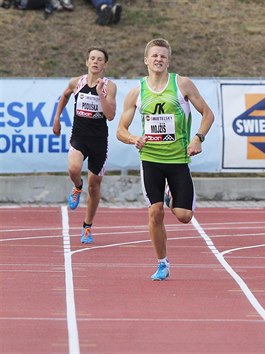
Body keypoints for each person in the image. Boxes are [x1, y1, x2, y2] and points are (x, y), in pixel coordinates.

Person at [116, 38, 215, 281]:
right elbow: (120, 129)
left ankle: (171, 196)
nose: (158, 59)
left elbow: (208, 114)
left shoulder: (181, 84)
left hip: (178, 159)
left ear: (168, 61)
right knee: (155, 212)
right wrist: (133, 139)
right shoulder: (137, 91)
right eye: (154, 56)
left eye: (163, 56)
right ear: (146, 60)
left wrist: (198, 138)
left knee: (184, 216)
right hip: (150, 159)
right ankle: (162, 263)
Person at [52, 47, 117, 244]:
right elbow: (64, 96)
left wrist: (100, 94)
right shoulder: (76, 82)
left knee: (95, 186)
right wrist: (57, 119)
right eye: (92, 58)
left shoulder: (109, 86)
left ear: (105, 64)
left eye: (99, 59)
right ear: (87, 62)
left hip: (98, 141)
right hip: (79, 137)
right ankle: (77, 186)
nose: (95, 62)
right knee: (73, 168)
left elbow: (111, 115)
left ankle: (87, 226)